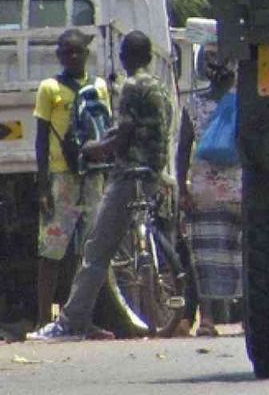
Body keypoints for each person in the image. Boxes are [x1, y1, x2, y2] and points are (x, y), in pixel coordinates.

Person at [30, 31, 172, 342]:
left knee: (96, 251)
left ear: (124, 56)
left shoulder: (131, 86)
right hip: (151, 172)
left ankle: (70, 322)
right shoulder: (160, 87)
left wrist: (95, 148)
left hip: (128, 175)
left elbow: (123, 131)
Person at [31, 29, 112, 331]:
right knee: (51, 250)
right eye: (67, 53)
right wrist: (42, 186)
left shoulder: (100, 87)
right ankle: (43, 318)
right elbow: (40, 139)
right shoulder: (49, 88)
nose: (73, 57)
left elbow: (106, 129)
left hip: (93, 176)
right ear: (59, 56)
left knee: (89, 251)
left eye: (77, 51)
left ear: (87, 54)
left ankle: (80, 319)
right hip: (61, 176)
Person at [175, 47, 241, 336]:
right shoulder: (244, 103)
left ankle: (208, 319)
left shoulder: (192, 105)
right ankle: (249, 318)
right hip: (239, 187)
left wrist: (182, 189)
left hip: (203, 188)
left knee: (205, 256)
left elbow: (182, 152)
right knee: (241, 253)